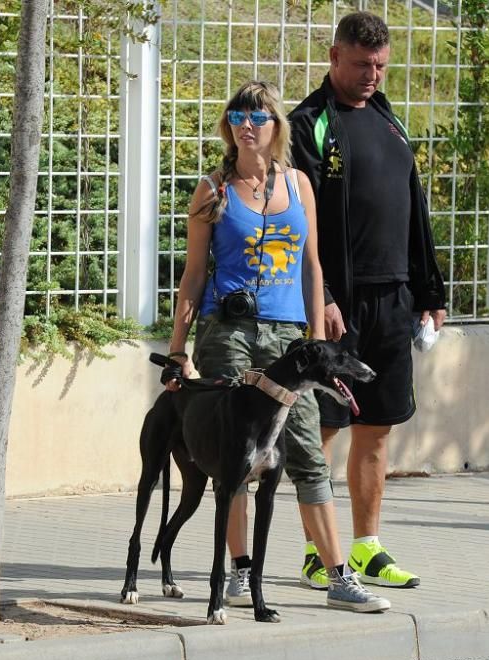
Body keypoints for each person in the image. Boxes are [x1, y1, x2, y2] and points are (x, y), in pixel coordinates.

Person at [164, 80, 390, 613]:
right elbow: (194, 275)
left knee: (308, 451)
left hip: (290, 340)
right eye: (238, 114)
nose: (248, 123)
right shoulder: (212, 189)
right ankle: (241, 573)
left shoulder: (299, 185)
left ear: (275, 127)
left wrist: (316, 341)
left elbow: (313, 267)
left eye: (259, 116)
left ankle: (338, 575)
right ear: (229, 125)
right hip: (229, 335)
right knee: (235, 457)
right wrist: (178, 350)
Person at [288, 12, 447, 589]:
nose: (372, 75)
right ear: (334, 58)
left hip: (394, 300)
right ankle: (315, 550)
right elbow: (301, 227)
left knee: (377, 429)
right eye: (361, 64)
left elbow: (415, 208)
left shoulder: (388, 121)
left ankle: (366, 546)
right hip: (338, 309)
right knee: (323, 431)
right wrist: (322, 296)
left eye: (380, 64)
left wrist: (431, 291)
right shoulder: (309, 124)